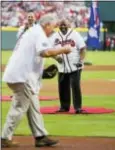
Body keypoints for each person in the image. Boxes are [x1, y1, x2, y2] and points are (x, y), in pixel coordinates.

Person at [1, 14, 71, 148]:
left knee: (34, 106)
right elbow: (44, 52)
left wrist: (42, 72)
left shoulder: (33, 31)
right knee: (19, 107)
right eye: (53, 26)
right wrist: (63, 49)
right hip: (22, 77)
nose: (54, 29)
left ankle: (40, 137)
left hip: (20, 74)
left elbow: (32, 55)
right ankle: (4, 138)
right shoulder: (38, 33)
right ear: (47, 25)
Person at [49, 19, 86, 114]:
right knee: (62, 87)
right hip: (62, 67)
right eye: (61, 25)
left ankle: (77, 107)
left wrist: (81, 61)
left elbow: (82, 48)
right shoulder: (55, 36)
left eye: (64, 25)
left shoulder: (74, 34)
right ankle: (64, 107)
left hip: (75, 65)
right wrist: (56, 58)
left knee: (75, 87)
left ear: (68, 25)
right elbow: (48, 50)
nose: (63, 27)